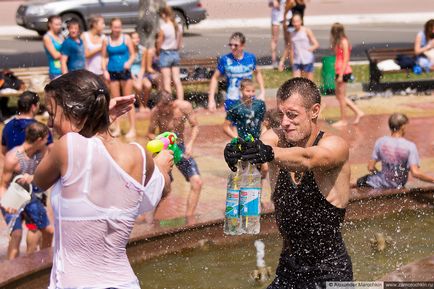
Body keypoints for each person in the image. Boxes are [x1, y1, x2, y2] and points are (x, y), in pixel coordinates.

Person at [33, 70, 173, 289]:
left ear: (76, 113)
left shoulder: (67, 147)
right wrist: (163, 167)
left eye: (52, 114)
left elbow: (39, 180)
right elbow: (161, 189)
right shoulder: (138, 154)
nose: (50, 124)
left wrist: (100, 117)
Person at [224, 77, 353, 288]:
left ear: (314, 111)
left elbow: (307, 159)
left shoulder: (335, 145)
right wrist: (240, 152)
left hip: (331, 272)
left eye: (292, 115)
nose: (284, 122)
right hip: (289, 269)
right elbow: (262, 144)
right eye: (281, 114)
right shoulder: (276, 138)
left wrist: (267, 153)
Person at [0, 122, 54, 260]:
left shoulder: (42, 152)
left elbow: (49, 173)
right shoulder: (13, 157)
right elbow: (3, 185)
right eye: (46, 138)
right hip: (13, 197)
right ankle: (10, 274)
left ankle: (40, 264)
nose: (48, 140)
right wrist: (6, 204)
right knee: (17, 234)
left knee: (46, 231)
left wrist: (33, 177)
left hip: (32, 198)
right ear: (39, 140)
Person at [148, 90, 202, 219]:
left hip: (181, 147)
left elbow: (195, 126)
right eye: (158, 108)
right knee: (164, 189)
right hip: (164, 150)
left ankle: (189, 220)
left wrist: (190, 144)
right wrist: (159, 143)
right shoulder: (155, 112)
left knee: (197, 183)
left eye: (163, 108)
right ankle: (148, 220)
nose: (161, 111)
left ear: (171, 104)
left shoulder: (184, 107)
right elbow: (149, 133)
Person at [357, 113, 434, 189]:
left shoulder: (381, 142)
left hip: (377, 183)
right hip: (398, 185)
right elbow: (416, 173)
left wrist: (383, 176)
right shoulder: (409, 146)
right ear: (403, 126)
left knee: (358, 182)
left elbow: (370, 167)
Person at [208, 32, 265, 112]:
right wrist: (211, 100)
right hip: (232, 99)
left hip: (249, 98)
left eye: (235, 45)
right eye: (230, 45)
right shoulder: (225, 59)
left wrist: (262, 92)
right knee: (232, 124)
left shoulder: (250, 58)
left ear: (243, 45)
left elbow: (258, 73)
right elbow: (214, 78)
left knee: (250, 122)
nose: (232, 47)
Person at [102, 18, 136, 138]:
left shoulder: (126, 38)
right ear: (111, 27)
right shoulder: (106, 40)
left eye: (119, 27)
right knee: (115, 101)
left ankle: (132, 128)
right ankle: (117, 127)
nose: (117, 29)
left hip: (125, 72)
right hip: (112, 72)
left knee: (128, 100)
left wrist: (129, 62)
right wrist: (104, 70)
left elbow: (133, 54)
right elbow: (104, 57)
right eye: (115, 27)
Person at [330, 23, 364, 127]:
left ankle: (344, 120)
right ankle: (358, 112)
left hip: (343, 71)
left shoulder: (344, 41)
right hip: (339, 70)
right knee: (339, 96)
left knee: (341, 97)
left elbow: (345, 59)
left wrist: (340, 75)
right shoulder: (338, 42)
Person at [2, 91, 53, 155]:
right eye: (38, 104)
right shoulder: (41, 129)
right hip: (35, 164)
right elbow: (51, 152)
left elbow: (3, 152)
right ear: (33, 107)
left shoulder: (7, 126)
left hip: (13, 162)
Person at [156, 6, 184, 100]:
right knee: (177, 80)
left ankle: (169, 103)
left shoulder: (163, 27)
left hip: (165, 54)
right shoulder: (179, 27)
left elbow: (159, 44)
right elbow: (180, 44)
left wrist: (157, 51)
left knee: (167, 81)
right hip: (175, 54)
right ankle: (180, 101)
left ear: (164, 15)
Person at [131, 31, 161, 112]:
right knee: (138, 87)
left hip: (140, 73)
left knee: (148, 85)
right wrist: (133, 77)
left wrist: (140, 77)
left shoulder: (143, 50)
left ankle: (144, 104)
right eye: (134, 38)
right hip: (130, 75)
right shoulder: (127, 51)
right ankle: (141, 106)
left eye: (137, 38)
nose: (136, 40)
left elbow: (143, 67)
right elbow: (127, 66)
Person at [136, 0, 166, 73]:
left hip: (141, 16)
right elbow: (162, 6)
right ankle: (148, 67)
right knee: (150, 42)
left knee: (142, 43)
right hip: (152, 16)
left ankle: (142, 66)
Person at [287, 13, 319, 80]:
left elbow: (316, 44)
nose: (296, 23)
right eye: (294, 22)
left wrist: (310, 49)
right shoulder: (292, 34)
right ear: (292, 22)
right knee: (296, 82)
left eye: (297, 21)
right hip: (297, 60)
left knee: (308, 83)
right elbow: (291, 48)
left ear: (301, 21)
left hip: (307, 60)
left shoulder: (306, 30)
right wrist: (292, 61)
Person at [43, 15, 63, 80]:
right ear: (50, 25)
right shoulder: (47, 37)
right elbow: (55, 55)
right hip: (55, 70)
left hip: (65, 68)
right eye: (56, 24)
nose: (59, 27)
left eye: (60, 24)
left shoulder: (61, 36)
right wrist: (69, 52)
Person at [269, 0, 286, 69]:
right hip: (276, 17)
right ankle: (274, 61)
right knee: (274, 39)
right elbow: (269, 4)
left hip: (287, 16)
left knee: (288, 40)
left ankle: (285, 60)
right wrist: (273, 2)